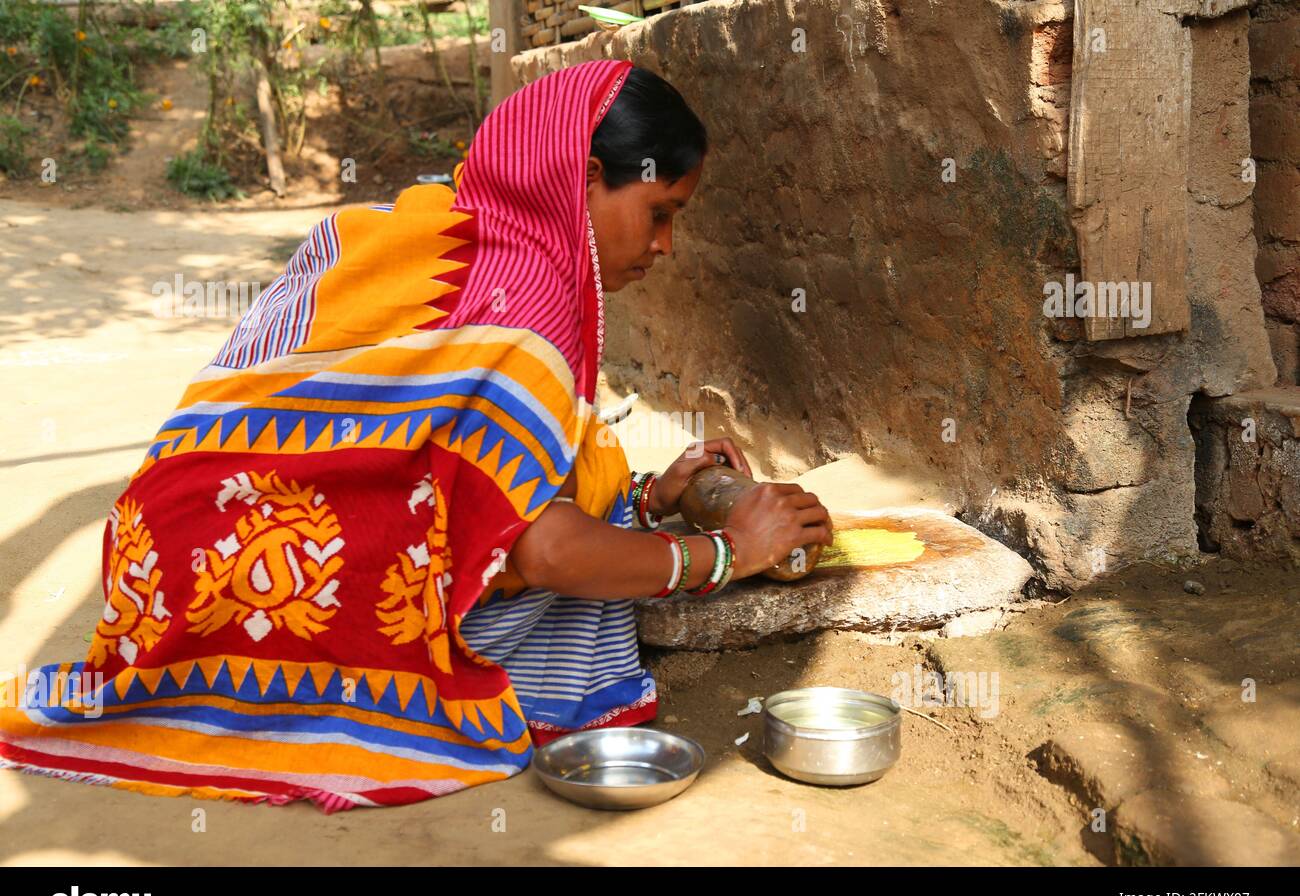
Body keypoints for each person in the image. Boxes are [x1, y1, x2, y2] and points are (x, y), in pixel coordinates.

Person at [0, 59, 831, 813]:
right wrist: (728, 554)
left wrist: (646, 499)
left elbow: (439, 473)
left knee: (589, 535)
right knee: (567, 588)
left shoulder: (443, 229)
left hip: (160, 577)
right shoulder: (528, 305)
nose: (666, 245)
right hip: (244, 603)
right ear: (583, 180)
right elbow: (539, 552)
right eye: (659, 212)